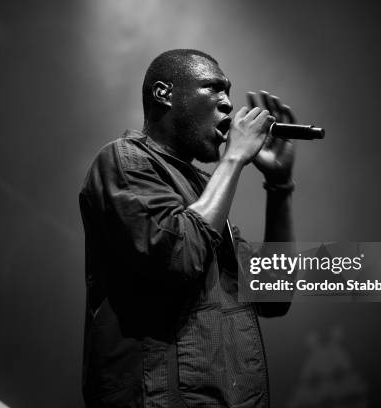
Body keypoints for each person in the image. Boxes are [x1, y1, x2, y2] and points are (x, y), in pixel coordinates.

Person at [79, 49, 296, 408]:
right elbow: (177, 256)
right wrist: (235, 157)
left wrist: (279, 185)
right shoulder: (125, 159)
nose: (228, 105)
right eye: (214, 89)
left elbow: (273, 295)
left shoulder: (203, 189)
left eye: (229, 91)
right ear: (164, 93)